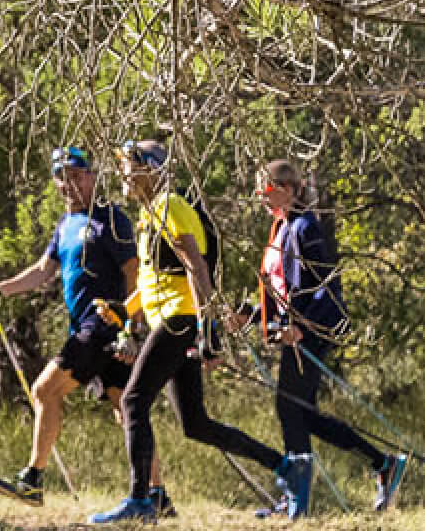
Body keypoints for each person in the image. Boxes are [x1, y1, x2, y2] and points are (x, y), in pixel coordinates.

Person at [90, 141, 290, 524]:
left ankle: (141, 500)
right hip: (171, 318)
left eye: (129, 166)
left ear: (152, 169)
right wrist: (123, 310)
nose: (123, 176)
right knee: (195, 424)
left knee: (133, 400)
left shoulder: (169, 207)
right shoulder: (152, 213)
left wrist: (208, 330)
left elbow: (197, 268)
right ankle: (284, 466)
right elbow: (157, 278)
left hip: (178, 320)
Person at [0, 147, 140, 508]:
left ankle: (33, 479)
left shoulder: (110, 218)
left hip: (104, 326)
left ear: (92, 176)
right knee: (125, 409)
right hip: (85, 326)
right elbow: (42, 272)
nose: (70, 184)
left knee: (44, 391)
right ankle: (155, 493)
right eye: (62, 177)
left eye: (77, 175)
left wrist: (131, 326)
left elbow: (132, 271)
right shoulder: (66, 226)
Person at [247, 159, 408, 519]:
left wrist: (303, 327)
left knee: (289, 409)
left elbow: (325, 289)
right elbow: (279, 288)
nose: (262, 200)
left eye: (267, 192)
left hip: (311, 332)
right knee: (304, 416)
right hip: (293, 332)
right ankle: (382, 465)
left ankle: (297, 503)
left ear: (287, 190)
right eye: (260, 193)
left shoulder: (305, 228)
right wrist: (250, 314)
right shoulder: (281, 227)